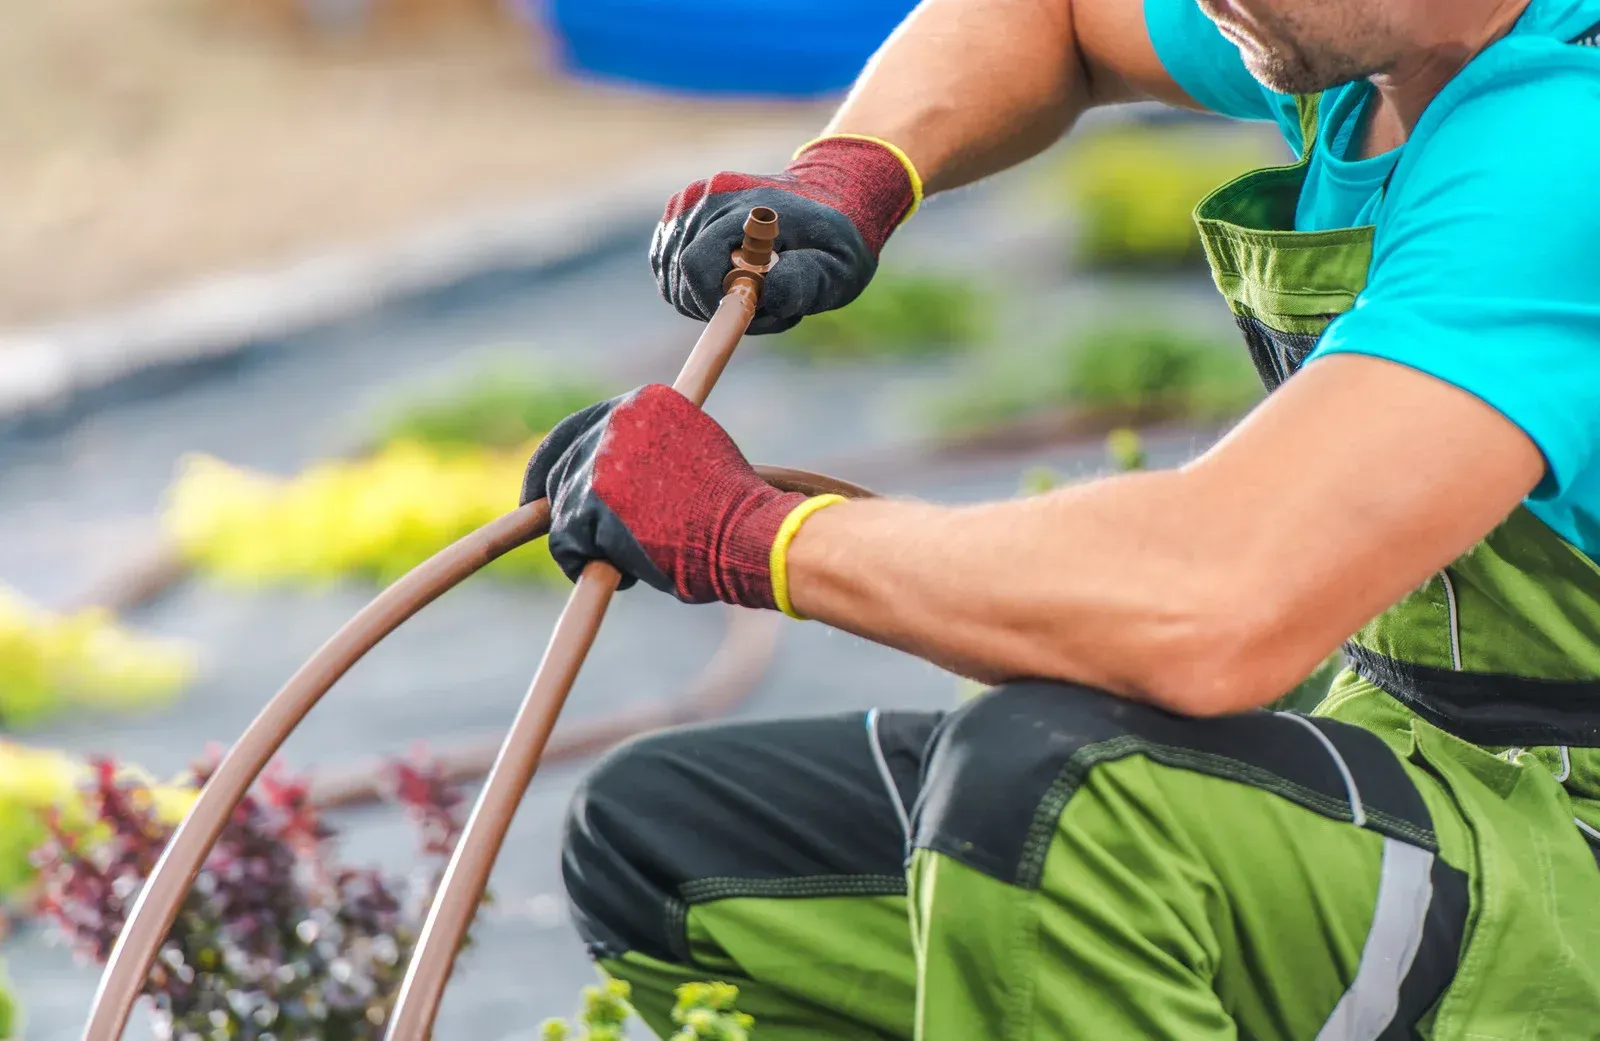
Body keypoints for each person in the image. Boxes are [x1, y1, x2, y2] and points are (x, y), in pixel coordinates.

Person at [520, 0, 1600, 1036]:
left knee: (1054, 799)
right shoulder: (1378, 41)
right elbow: (1064, 15)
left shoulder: (1563, 141)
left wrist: (750, 533)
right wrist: (855, 169)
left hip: (1568, 853)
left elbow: (1210, 605)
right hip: (1439, 760)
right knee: (673, 844)